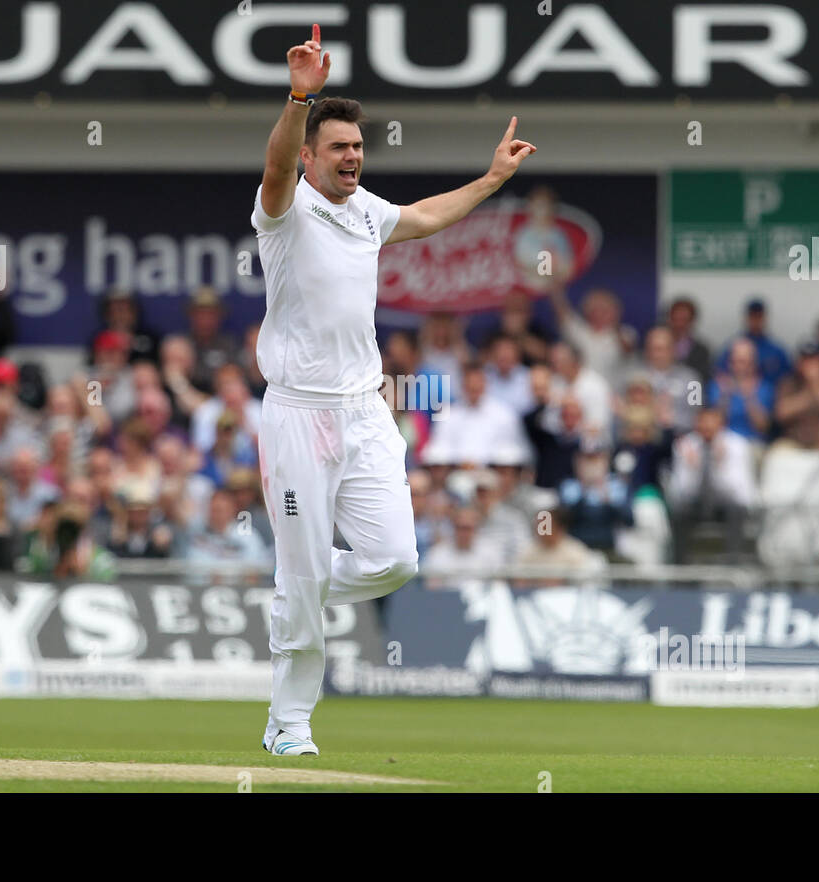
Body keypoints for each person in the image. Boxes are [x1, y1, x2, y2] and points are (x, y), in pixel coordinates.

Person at [250, 22, 534, 757]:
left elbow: (430, 215)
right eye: (338, 147)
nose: (352, 157)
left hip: (366, 410)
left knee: (395, 562)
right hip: (298, 414)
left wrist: (494, 177)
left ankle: (298, 589)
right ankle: (290, 724)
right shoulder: (283, 212)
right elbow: (277, 165)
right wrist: (297, 97)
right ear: (313, 155)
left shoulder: (369, 212)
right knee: (307, 570)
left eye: (357, 147)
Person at [666, 407, 757, 563]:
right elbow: (679, 492)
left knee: (737, 511)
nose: (707, 427)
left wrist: (718, 467)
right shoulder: (686, 445)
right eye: (703, 422)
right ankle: (681, 570)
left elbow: (741, 492)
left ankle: (732, 566)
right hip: (696, 503)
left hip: (726, 504)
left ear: (721, 424)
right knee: (678, 513)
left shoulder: (737, 445)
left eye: (711, 422)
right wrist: (694, 468)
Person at [773, 343, 819, 448]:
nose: (809, 365)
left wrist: (818, 386)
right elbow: (781, 414)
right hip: (793, 443)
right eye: (805, 360)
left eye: (813, 360)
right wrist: (808, 392)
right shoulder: (789, 383)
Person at [707, 338, 774, 444]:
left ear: (754, 363)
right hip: (724, 442)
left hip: (752, 443)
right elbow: (712, 424)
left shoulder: (765, 388)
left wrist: (749, 396)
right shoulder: (718, 385)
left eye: (743, 362)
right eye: (734, 362)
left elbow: (762, 427)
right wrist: (725, 395)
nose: (738, 367)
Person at [715, 299, 791, 385]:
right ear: (746, 318)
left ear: (764, 317)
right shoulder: (733, 347)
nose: (755, 321)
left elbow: (787, 378)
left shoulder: (776, 351)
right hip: (739, 394)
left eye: (759, 316)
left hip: (772, 396)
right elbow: (720, 374)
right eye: (752, 316)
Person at [665, 296, 712, 383]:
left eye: (684, 320)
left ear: (692, 321)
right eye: (676, 319)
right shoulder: (656, 345)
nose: (679, 324)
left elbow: (703, 379)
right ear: (669, 319)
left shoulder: (701, 351)